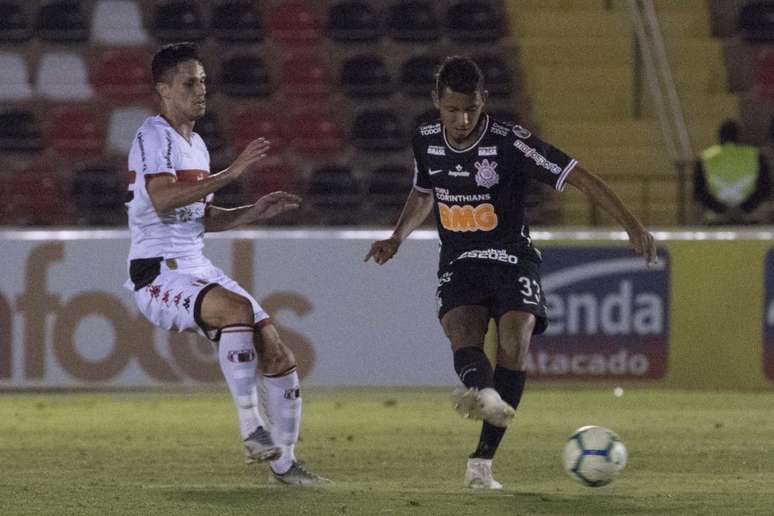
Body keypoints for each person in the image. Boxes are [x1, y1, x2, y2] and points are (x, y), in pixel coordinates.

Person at [365, 56, 657, 490]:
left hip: (510, 256)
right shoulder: (424, 140)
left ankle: (482, 462)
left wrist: (632, 225)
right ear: (435, 102)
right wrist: (396, 237)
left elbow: (581, 178)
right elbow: (424, 193)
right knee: (461, 335)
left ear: (483, 101)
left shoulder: (509, 143)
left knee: (514, 342)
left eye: (471, 109)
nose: (462, 119)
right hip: (459, 260)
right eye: (452, 110)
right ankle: (485, 395)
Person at [124, 42, 327, 485]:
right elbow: (161, 199)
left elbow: (202, 217)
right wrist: (232, 175)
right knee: (235, 312)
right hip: (157, 271)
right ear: (163, 89)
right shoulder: (151, 135)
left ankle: (286, 464)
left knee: (274, 345)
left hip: (195, 265)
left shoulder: (197, 146)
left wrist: (254, 210)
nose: (201, 91)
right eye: (189, 83)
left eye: (203, 82)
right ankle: (251, 428)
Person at [693, 119, 771, 224]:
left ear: (720, 137)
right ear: (740, 136)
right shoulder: (756, 156)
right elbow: (765, 188)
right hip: (750, 215)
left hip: (717, 217)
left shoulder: (706, 158)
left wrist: (722, 209)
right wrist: (743, 208)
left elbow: (699, 192)